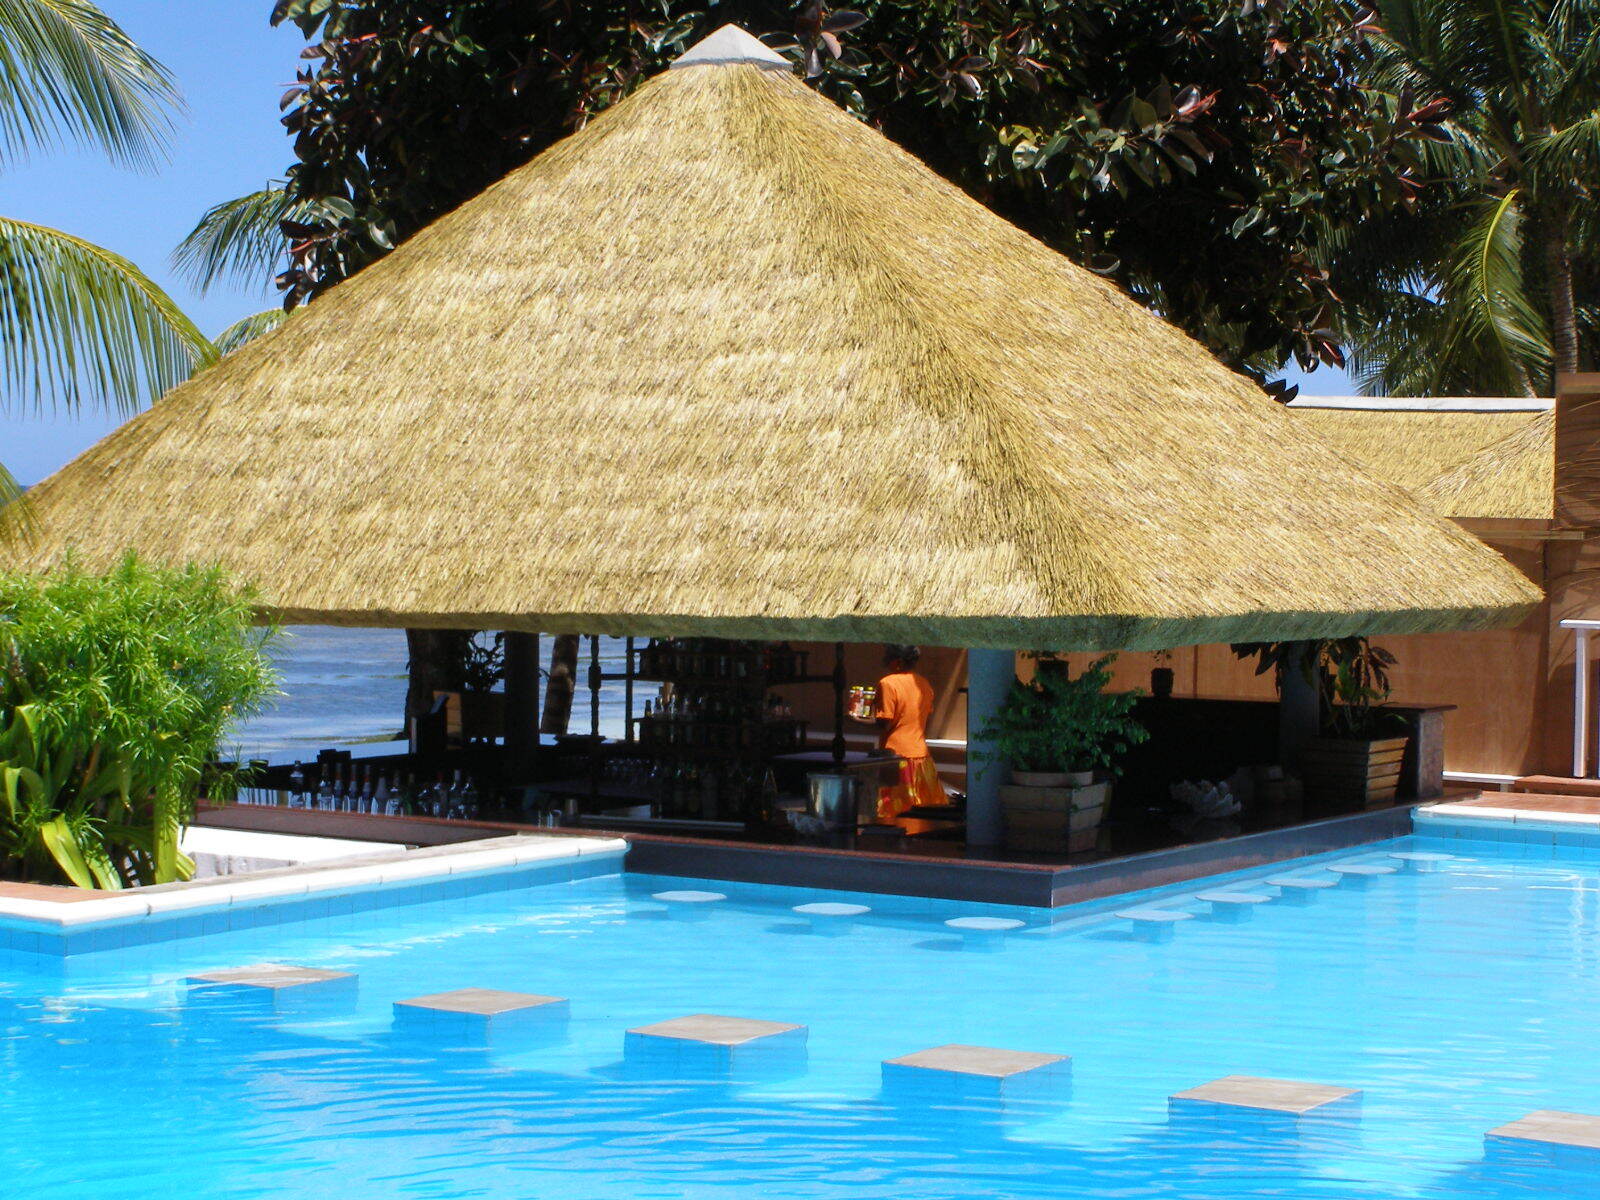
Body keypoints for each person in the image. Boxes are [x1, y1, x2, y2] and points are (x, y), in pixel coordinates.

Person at [868, 645, 943, 821]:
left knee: (892, 814)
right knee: (922, 813)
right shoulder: (923, 684)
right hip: (922, 757)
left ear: (898, 662)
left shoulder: (888, 683)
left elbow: (884, 722)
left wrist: (858, 720)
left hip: (895, 757)